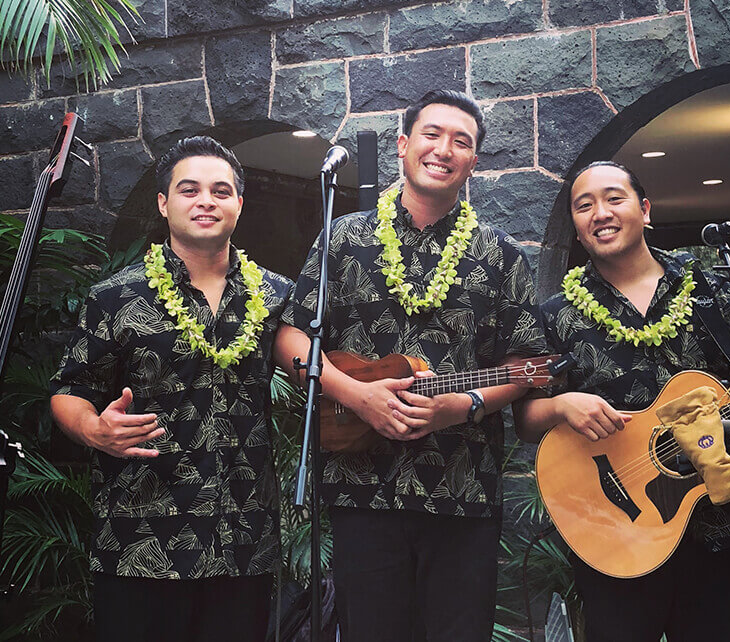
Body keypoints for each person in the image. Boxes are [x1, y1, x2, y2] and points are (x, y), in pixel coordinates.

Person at [274, 89, 549, 641]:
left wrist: (463, 408)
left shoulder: (500, 255)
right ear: (403, 145)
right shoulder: (343, 238)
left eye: (462, 142)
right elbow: (289, 338)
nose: (444, 149)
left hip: (463, 490)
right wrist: (359, 396)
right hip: (360, 482)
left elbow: (527, 366)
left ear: (473, 162)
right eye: (432, 134)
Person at [514, 161, 730, 641]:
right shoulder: (557, 315)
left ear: (645, 210)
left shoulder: (712, 291)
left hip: (716, 524)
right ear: (575, 225)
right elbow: (526, 418)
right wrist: (563, 405)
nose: (600, 213)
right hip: (615, 526)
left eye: (614, 198)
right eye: (583, 205)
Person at [49, 136, 292, 641]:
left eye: (221, 191)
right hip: (140, 541)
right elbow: (67, 390)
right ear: (164, 204)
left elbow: (322, 370)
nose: (206, 200)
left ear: (239, 205)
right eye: (190, 189)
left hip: (243, 542)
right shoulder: (114, 297)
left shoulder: (277, 297)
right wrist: (95, 429)